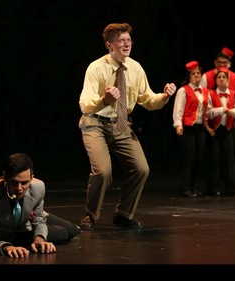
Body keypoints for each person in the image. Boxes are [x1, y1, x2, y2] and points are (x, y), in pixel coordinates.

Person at [78, 23, 177, 230]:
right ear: (109, 45)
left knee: (141, 169)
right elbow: (85, 103)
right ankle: (91, 215)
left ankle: (123, 213)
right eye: (121, 40)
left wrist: (165, 97)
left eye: (129, 40)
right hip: (95, 123)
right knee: (103, 171)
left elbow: (148, 99)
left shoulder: (135, 67)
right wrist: (104, 99)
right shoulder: (96, 68)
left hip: (121, 124)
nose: (126, 44)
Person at [0, 153, 81, 257]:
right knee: (62, 233)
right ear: (5, 177)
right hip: (4, 231)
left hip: (25, 216)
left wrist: (39, 239)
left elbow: (38, 219)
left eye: (24, 183)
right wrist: (6, 247)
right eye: (14, 182)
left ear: (31, 178)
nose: (19, 188)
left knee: (72, 230)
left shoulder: (38, 187)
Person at [172, 61, 214, 198]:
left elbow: (207, 111)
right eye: (193, 73)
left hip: (200, 128)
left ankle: (195, 187)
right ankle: (185, 187)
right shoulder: (183, 90)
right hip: (188, 128)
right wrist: (178, 124)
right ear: (189, 76)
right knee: (188, 158)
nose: (196, 75)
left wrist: (209, 125)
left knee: (199, 158)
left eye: (198, 73)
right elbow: (178, 109)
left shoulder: (205, 91)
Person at [206, 68, 235, 196]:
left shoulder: (234, 94)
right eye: (219, 77)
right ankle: (213, 187)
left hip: (228, 129)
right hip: (215, 130)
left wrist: (231, 112)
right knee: (215, 159)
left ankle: (232, 187)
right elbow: (208, 113)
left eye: (224, 77)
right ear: (216, 80)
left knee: (229, 158)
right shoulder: (211, 94)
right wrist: (220, 110)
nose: (221, 79)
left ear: (228, 80)